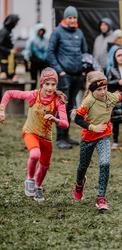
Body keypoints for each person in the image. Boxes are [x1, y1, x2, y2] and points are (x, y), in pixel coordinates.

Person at [0, 67, 69, 202]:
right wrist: (2, 110)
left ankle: (38, 186)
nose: (50, 88)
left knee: (44, 165)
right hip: (30, 131)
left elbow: (65, 124)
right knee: (35, 154)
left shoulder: (58, 101)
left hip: (46, 137)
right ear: (41, 83)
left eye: (53, 84)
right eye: (47, 84)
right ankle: (30, 179)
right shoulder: (33, 95)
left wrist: (55, 119)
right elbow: (8, 93)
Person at [73, 71, 122, 210]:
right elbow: (77, 119)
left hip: (104, 136)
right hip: (88, 138)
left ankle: (101, 197)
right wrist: (93, 127)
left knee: (105, 163)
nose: (103, 92)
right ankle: (79, 183)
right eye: (99, 89)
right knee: (82, 167)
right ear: (92, 89)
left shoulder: (110, 96)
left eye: (105, 88)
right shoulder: (88, 101)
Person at [47, 6, 88, 149]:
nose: (72, 20)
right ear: (65, 18)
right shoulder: (57, 32)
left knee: (71, 106)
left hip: (78, 76)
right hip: (64, 75)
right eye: (70, 17)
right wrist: (60, 71)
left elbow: (84, 52)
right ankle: (60, 138)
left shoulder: (79, 33)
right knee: (62, 106)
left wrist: (84, 69)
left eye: (74, 17)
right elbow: (50, 53)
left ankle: (67, 136)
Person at [107, 47, 122, 149]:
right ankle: (115, 141)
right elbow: (107, 83)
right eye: (118, 56)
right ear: (115, 57)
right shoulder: (111, 70)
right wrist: (117, 82)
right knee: (115, 120)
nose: (121, 58)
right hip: (115, 98)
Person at [23, 23, 48, 90]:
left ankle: (43, 95)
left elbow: (48, 50)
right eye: (40, 30)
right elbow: (27, 50)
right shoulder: (32, 40)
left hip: (43, 63)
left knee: (44, 80)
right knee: (34, 80)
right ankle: (32, 95)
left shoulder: (46, 40)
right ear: (37, 31)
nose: (41, 32)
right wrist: (27, 59)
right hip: (34, 62)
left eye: (42, 30)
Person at [0, 14, 19, 80]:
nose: (16, 25)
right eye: (15, 23)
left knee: (10, 76)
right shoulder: (4, 32)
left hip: (10, 59)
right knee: (4, 78)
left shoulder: (9, 31)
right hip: (4, 61)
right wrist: (9, 50)